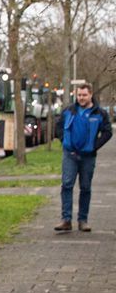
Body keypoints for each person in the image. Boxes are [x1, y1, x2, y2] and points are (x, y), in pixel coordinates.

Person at [55, 81, 111, 232]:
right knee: (67, 185)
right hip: (70, 155)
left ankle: (83, 220)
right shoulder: (68, 111)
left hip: (88, 156)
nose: (81, 98)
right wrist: (64, 141)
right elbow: (58, 126)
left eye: (84, 95)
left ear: (91, 95)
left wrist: (95, 145)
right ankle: (66, 219)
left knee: (85, 187)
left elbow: (108, 132)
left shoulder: (99, 113)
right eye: (79, 95)